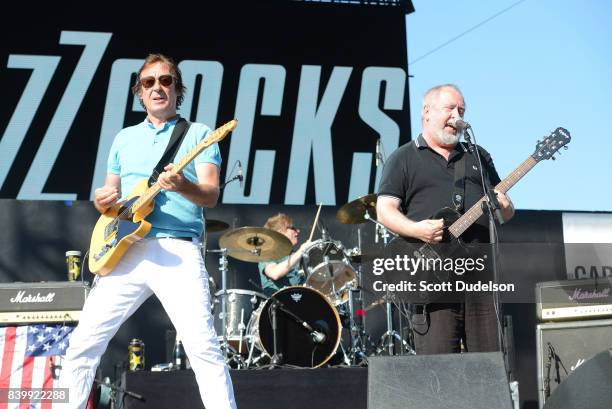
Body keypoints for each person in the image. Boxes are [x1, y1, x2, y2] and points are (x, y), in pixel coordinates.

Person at [60, 54, 236, 408]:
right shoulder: (124, 139)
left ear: (177, 89)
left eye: (166, 81)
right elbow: (110, 203)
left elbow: (211, 195)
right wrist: (101, 200)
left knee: (203, 347)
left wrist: (183, 185)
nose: (158, 87)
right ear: (139, 92)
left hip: (175, 250)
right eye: (149, 82)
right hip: (126, 250)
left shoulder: (200, 134)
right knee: (83, 344)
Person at [376, 83, 514, 354]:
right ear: (427, 111)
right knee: (439, 373)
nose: (457, 116)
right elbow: (384, 210)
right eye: (450, 108)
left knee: (488, 369)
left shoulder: (477, 156)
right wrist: (417, 230)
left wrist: (506, 207)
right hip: (432, 282)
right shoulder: (404, 157)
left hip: (480, 281)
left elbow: (505, 213)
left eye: (461, 110)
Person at [258, 213, 311, 297]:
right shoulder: (267, 254)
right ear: (280, 232)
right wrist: (300, 251)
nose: (298, 231)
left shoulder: (296, 256)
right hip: (277, 303)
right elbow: (275, 273)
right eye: (293, 228)